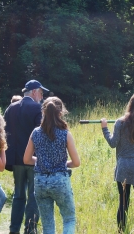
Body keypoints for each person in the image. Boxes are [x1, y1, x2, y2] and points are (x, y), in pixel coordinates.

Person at [23, 97, 80, 234]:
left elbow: (26, 159)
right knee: (69, 219)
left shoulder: (35, 133)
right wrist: (63, 163)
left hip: (40, 182)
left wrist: (42, 161)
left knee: (48, 226)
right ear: (61, 113)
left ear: (43, 112)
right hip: (60, 181)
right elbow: (76, 162)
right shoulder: (65, 134)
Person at [100, 93, 134, 234]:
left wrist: (104, 128)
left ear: (130, 104)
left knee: (123, 204)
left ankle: (121, 232)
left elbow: (113, 143)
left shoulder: (119, 123)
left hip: (123, 169)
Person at [4, 79, 49, 234]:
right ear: (35, 91)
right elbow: (42, 134)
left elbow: (4, 131)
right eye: (41, 93)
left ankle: (13, 229)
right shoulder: (37, 108)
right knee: (33, 195)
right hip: (33, 159)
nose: (42, 97)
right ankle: (30, 229)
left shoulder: (11, 107)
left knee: (18, 196)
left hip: (16, 160)